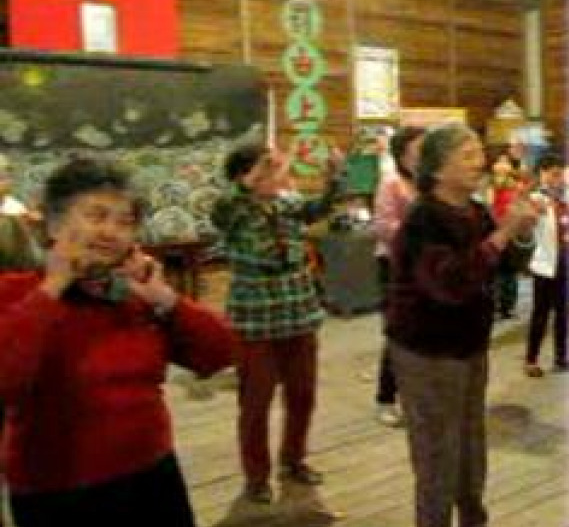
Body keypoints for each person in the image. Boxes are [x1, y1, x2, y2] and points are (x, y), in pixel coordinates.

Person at [0, 157, 235, 526]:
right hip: (58, 493)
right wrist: (53, 285)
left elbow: (220, 353)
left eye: (124, 222)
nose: (111, 232)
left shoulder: (133, 296)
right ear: (54, 224)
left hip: (153, 476)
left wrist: (166, 299)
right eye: (96, 216)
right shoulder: (15, 293)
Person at [385, 123, 538, 527]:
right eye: (468, 155)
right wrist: (505, 232)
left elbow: (505, 265)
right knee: (437, 455)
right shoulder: (423, 219)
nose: (480, 162)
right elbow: (450, 284)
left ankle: (473, 518)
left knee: (470, 446)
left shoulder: (475, 210)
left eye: (479, 153)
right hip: (428, 351)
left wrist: (521, 232)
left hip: (469, 346)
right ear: (437, 169)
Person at [211, 144, 341, 503]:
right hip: (255, 322)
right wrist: (252, 178)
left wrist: (334, 176)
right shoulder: (234, 211)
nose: (275, 174)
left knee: (302, 396)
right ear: (244, 177)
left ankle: (294, 459)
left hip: (299, 315)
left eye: (274, 168)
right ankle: (256, 477)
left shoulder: (287, 204)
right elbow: (223, 209)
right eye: (264, 170)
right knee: (256, 403)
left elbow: (318, 208)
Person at [373, 126, 425, 427]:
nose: (424, 154)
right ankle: (386, 398)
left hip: (425, 267)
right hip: (394, 265)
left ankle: (414, 397)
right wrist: (419, 234)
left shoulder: (428, 183)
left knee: (421, 332)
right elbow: (383, 227)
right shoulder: (391, 183)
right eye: (418, 149)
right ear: (402, 155)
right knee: (398, 331)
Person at [524, 152, 569, 378]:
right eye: (552, 174)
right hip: (545, 266)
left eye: (560, 174)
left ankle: (561, 357)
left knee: (564, 314)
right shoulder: (535, 199)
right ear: (542, 175)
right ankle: (531, 359)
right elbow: (524, 234)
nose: (556, 179)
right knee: (540, 314)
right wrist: (531, 212)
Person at [490, 146, 526, 319]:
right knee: (496, 270)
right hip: (496, 231)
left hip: (512, 230)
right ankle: (496, 306)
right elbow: (488, 207)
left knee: (510, 270)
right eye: (500, 161)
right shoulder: (489, 185)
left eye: (506, 162)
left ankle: (509, 305)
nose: (502, 165)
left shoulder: (516, 185)